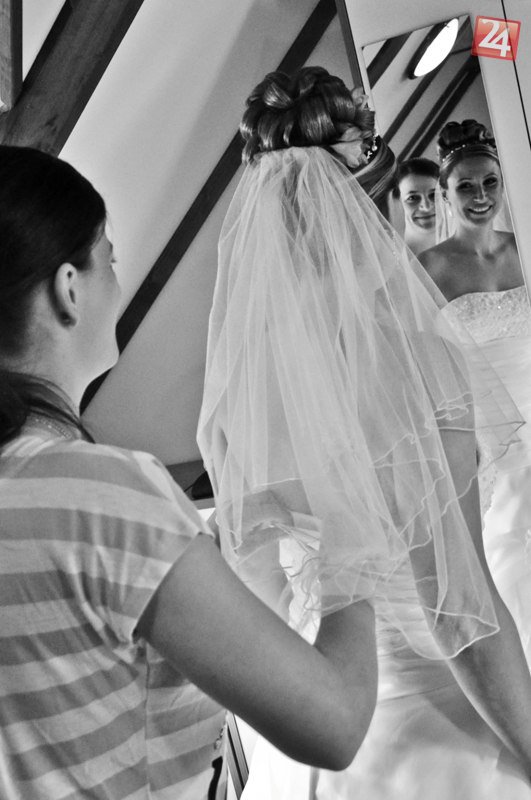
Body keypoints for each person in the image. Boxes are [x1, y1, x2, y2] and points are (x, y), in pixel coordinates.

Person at [0, 144, 384, 800]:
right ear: (69, 289)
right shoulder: (107, 495)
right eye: (109, 261)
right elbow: (335, 723)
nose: (117, 283)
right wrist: (354, 540)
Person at [197, 69, 531, 799]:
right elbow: (458, 614)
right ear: (359, 206)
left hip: (320, 732)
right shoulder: (413, 359)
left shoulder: (237, 386)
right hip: (438, 720)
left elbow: (258, 592)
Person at [420, 119, 531, 666]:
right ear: (445, 193)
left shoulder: (525, 248)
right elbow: (419, 365)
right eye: (465, 186)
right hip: (486, 435)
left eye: (490, 182)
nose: (480, 195)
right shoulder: (429, 269)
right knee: (510, 550)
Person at [391, 157, 439, 254]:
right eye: (412, 198)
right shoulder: (388, 251)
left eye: (433, 195)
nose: (426, 207)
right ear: (397, 201)